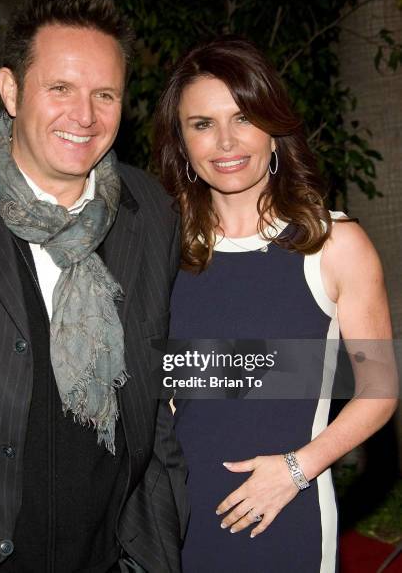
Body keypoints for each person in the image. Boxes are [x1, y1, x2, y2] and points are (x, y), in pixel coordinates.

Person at [0, 0, 188, 573]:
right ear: (11, 90)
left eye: (105, 94)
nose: (84, 116)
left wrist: (156, 540)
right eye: (60, 87)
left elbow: (159, 390)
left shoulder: (152, 211)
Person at [154, 35, 398, 572]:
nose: (224, 141)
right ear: (183, 143)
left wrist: (295, 470)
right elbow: (169, 392)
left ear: (273, 128)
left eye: (242, 117)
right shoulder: (163, 249)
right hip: (176, 519)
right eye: (202, 124)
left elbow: (380, 391)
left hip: (288, 515)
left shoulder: (333, 245)